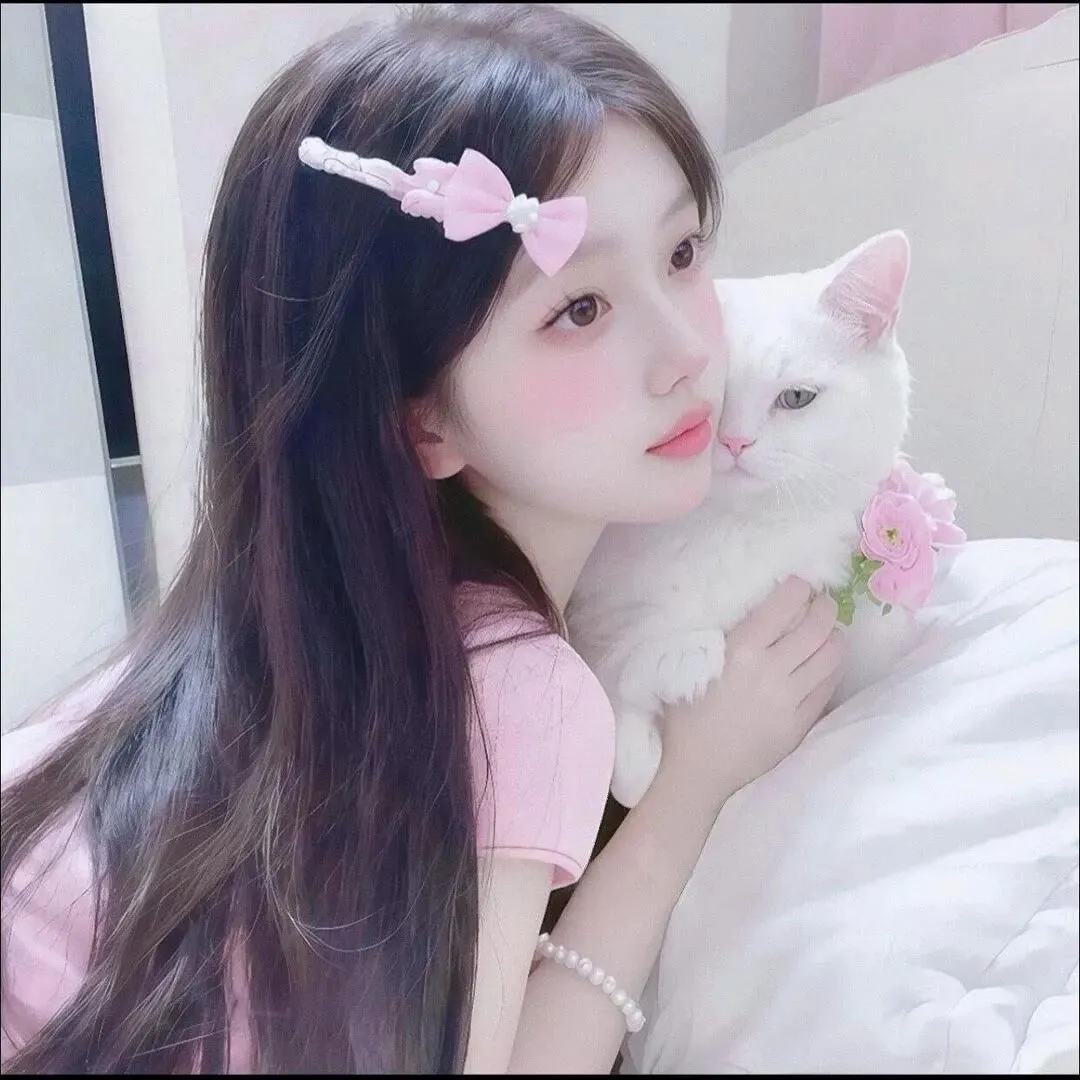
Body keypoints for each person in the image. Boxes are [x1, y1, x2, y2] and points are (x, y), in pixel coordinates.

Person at [0, 3, 845, 1073]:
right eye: (579, 309)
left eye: (682, 252)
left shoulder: (254, 630)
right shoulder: (514, 684)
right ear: (421, 418)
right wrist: (691, 788)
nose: (686, 349)